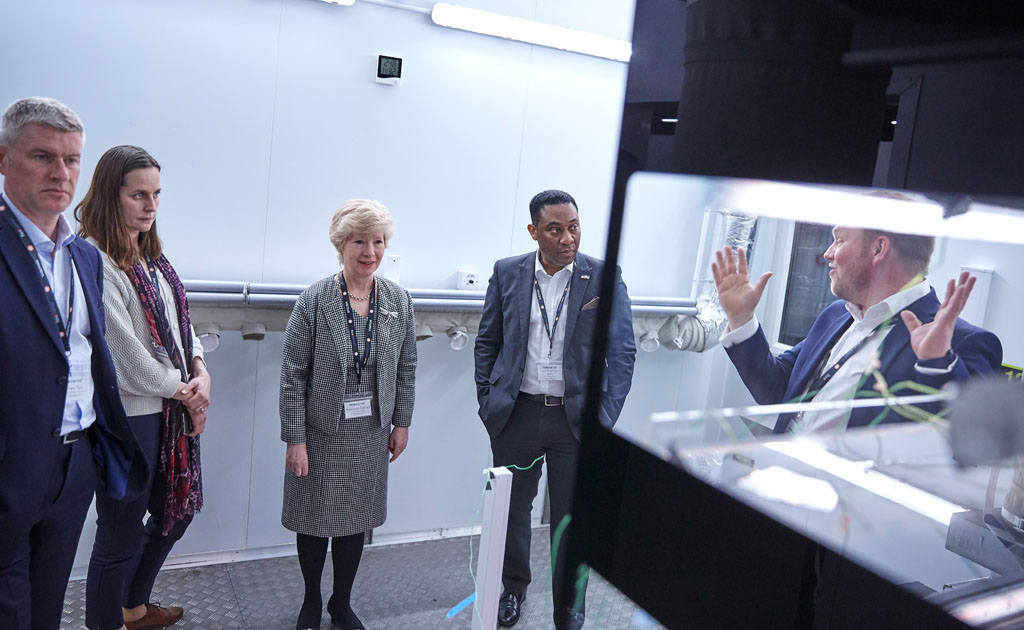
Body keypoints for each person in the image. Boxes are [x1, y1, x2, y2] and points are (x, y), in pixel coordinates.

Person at [0, 98, 141, 630]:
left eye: (73, 159)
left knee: (47, 609)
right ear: (4, 158)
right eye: (42, 156)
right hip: (10, 463)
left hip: (73, 460)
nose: (61, 173)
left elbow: (84, 351)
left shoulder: (84, 255)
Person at [474, 189, 636, 630]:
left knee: (571, 518)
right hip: (517, 415)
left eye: (574, 227)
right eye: (556, 229)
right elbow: (488, 341)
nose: (568, 238)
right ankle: (513, 589)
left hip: (575, 422)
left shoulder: (603, 277)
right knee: (513, 512)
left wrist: (604, 419)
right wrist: (488, 402)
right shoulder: (507, 273)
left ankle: (569, 603)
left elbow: (622, 353)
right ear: (534, 231)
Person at [76, 145, 210, 630]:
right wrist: (187, 390)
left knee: (176, 512)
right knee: (118, 535)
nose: (151, 206)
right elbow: (125, 360)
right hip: (130, 417)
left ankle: (132, 609)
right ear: (111, 197)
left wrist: (200, 368)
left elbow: (181, 325)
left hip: (168, 409)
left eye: (156, 194)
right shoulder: (94, 260)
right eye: (138, 195)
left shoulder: (150, 256)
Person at [712, 218, 1002, 434]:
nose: (827, 253)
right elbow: (778, 392)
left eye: (838, 240)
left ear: (879, 249)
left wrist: (937, 363)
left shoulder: (960, 343)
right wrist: (741, 318)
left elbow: (966, 441)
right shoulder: (836, 315)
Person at [280, 199, 417, 630]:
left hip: (371, 431)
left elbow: (408, 366)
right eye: (360, 241)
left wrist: (403, 422)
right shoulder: (315, 300)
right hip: (321, 431)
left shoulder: (397, 300)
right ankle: (310, 601)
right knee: (314, 519)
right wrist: (295, 438)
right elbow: (292, 375)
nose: (370, 251)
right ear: (341, 244)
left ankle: (342, 603)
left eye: (378, 242)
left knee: (355, 520)